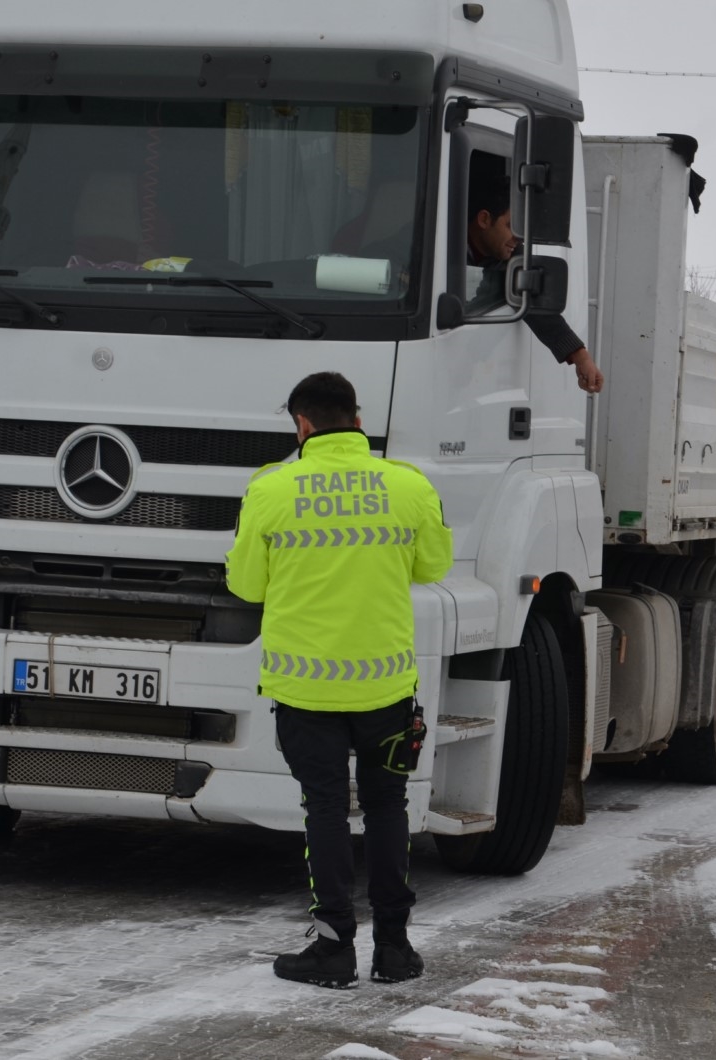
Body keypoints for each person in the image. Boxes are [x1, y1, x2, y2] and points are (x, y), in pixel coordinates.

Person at [226, 371, 454, 987]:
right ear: (357, 419)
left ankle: (332, 951)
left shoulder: (270, 489)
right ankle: (395, 951)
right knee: (386, 807)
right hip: (384, 688)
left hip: (306, 690)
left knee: (324, 809)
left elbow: (245, 585)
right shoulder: (407, 485)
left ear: (301, 426)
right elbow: (434, 564)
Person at [466, 177, 604, 394]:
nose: (518, 239)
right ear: (484, 219)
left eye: (523, 231)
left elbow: (533, 300)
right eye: (512, 226)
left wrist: (581, 357)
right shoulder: (433, 243)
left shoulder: (512, 257)